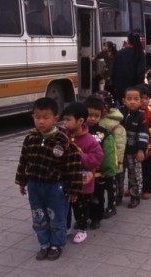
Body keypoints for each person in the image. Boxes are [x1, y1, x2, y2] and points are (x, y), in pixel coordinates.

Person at [15, 97, 81, 261]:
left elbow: (73, 166)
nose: (41, 122)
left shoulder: (63, 141)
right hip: (34, 186)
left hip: (54, 187)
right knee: (38, 215)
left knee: (57, 216)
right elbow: (24, 160)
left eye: (46, 117)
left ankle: (56, 244)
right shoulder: (30, 138)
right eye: (37, 117)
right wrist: (22, 181)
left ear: (55, 119)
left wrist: (74, 189)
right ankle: (44, 243)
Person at [62, 102, 103, 244]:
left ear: (80, 121)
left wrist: (81, 155)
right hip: (66, 179)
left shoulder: (90, 140)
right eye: (64, 119)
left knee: (81, 207)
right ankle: (65, 227)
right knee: (64, 205)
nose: (65, 123)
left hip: (83, 182)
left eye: (68, 119)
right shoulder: (63, 136)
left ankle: (81, 228)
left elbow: (97, 159)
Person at [84, 96, 117, 230]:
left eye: (96, 116)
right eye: (90, 115)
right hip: (81, 174)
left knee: (97, 197)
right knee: (83, 198)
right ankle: (83, 217)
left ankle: (96, 218)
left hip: (98, 174)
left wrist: (108, 171)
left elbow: (108, 153)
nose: (93, 118)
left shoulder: (104, 133)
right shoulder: (77, 131)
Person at [120, 86, 149, 208]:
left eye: (136, 99)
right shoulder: (120, 114)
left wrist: (141, 149)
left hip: (134, 151)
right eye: (129, 99)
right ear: (124, 101)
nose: (132, 101)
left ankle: (135, 196)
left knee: (135, 175)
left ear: (140, 101)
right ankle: (117, 196)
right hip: (121, 151)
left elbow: (143, 134)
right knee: (119, 175)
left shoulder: (141, 116)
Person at [98, 94, 126, 212]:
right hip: (98, 159)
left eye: (103, 105)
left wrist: (118, 160)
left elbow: (120, 143)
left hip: (112, 158)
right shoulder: (93, 121)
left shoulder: (114, 123)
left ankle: (113, 203)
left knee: (113, 182)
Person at [112, 33, 146, 103]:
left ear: (128, 41)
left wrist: (114, 85)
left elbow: (113, 71)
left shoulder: (120, 53)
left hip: (120, 87)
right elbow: (140, 72)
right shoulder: (139, 53)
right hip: (134, 88)